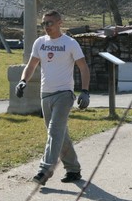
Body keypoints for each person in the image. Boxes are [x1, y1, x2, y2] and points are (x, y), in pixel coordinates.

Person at [15, 10, 90, 185]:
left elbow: (84, 68)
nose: (46, 27)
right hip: (45, 94)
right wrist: (22, 81)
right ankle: (73, 170)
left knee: (54, 132)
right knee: (60, 134)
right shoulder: (40, 42)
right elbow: (31, 64)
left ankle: (44, 170)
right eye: (43, 24)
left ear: (59, 23)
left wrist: (85, 91)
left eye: (49, 23)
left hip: (64, 94)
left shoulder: (70, 43)